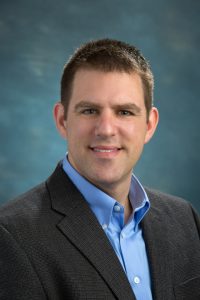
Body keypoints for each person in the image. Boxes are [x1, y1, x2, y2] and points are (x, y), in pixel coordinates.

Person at [0, 39, 199, 300]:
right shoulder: (12, 237)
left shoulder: (185, 220)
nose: (105, 129)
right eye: (90, 110)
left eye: (125, 112)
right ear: (62, 120)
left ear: (149, 125)